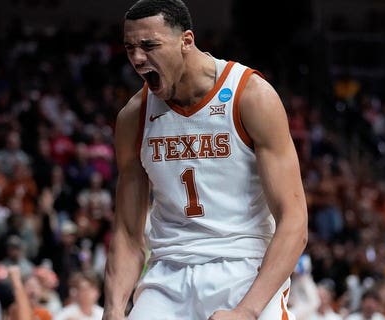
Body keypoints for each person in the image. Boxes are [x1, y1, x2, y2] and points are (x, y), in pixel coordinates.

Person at [102, 0, 309, 319]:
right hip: (168, 274)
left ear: (186, 41)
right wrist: (113, 310)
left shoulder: (250, 96)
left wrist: (246, 311)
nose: (138, 58)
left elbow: (294, 220)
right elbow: (128, 233)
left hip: (244, 267)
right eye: (130, 48)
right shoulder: (134, 116)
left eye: (149, 45)